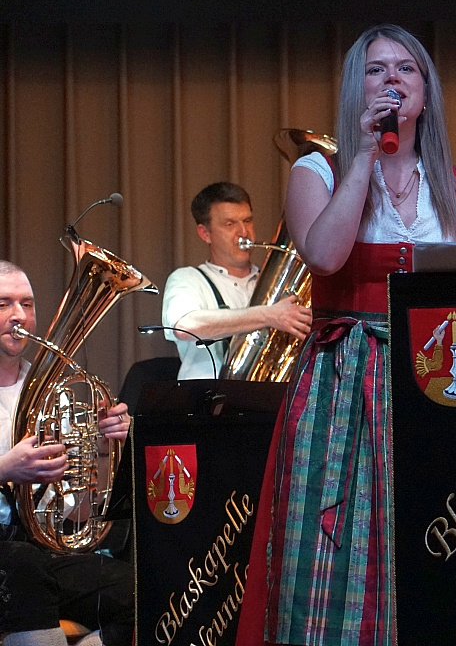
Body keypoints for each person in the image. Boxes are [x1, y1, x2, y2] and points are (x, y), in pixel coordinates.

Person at [258, 24, 456, 646]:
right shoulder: (317, 171)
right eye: (375, 69)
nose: (392, 78)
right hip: (345, 379)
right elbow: (325, 257)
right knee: (341, 547)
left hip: (439, 382)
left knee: (441, 532)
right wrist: (362, 156)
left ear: (426, 90)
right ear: (355, 89)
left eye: (406, 68)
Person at [0, 261, 134, 646]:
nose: (19, 315)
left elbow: (78, 515)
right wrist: (6, 468)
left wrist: (104, 450)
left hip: (39, 552)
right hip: (13, 558)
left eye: (27, 304)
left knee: (139, 588)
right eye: (4, 304)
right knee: (22, 565)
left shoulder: (52, 393)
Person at [160, 182, 312, 380]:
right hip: (205, 396)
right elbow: (184, 326)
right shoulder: (188, 279)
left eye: (247, 221)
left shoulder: (276, 284)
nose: (243, 232)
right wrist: (268, 315)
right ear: (205, 234)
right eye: (229, 224)